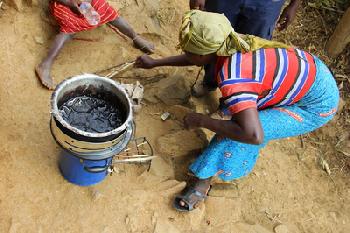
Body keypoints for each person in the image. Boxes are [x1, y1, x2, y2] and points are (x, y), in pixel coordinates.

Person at [135, 10, 339, 211]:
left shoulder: (233, 78)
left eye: (189, 51)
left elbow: (253, 135)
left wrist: (202, 121)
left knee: (238, 133)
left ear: (204, 53)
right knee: (239, 119)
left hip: (315, 105)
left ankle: (203, 179)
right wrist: (155, 63)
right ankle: (240, 112)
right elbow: (198, 56)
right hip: (310, 74)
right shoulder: (229, 40)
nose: (187, 54)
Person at [188, 0, 300, 96]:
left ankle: (229, 103)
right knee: (214, 37)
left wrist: (294, 4)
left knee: (250, 53)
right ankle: (210, 81)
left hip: (267, 4)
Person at [36, 0, 154, 90]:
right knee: (69, 28)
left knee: (107, 11)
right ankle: (45, 65)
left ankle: (135, 37)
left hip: (85, 3)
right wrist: (70, 4)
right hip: (64, 3)